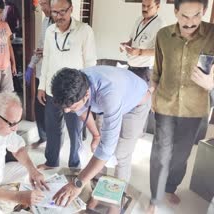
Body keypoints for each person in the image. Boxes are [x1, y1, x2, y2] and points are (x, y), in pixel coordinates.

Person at [49, 66, 151, 212]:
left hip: (135, 104)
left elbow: (107, 148)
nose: (66, 111)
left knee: (121, 154)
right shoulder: (76, 84)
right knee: (97, 147)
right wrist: (96, 135)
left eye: (71, 107)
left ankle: (115, 201)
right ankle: (99, 192)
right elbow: (81, 110)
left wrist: (78, 183)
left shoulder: (109, 94)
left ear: (86, 96)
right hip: (106, 103)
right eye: (65, 107)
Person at [148, 0, 214, 213]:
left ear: (203, 11)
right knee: (161, 154)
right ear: (175, 12)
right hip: (165, 105)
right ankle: (155, 195)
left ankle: (169, 187)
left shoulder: (213, 35)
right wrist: (153, 94)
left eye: (196, 15)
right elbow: (157, 69)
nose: (190, 22)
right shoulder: (163, 36)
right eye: (184, 16)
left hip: (194, 110)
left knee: (181, 155)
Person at [37, 0, 97, 170]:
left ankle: (75, 165)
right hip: (52, 91)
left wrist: (87, 93)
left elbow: (91, 63)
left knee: (75, 131)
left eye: (63, 11)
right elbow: (47, 59)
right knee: (53, 129)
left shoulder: (84, 31)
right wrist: (42, 85)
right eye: (55, 12)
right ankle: (51, 161)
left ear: (71, 9)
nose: (58, 16)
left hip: (75, 94)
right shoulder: (49, 31)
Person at [25, 0, 53, 149]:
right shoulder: (45, 21)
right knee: (39, 108)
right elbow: (40, 46)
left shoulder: (61, 23)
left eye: (44, 4)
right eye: (40, 5)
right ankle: (43, 137)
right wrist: (31, 65)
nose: (42, 9)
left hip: (54, 75)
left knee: (53, 112)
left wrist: (47, 52)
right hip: (41, 73)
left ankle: (54, 144)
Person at [120, 0, 166, 85]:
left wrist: (140, 52)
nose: (145, 8)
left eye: (149, 6)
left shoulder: (160, 24)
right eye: (143, 5)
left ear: (158, 7)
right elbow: (133, 40)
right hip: (131, 67)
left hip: (144, 71)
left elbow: (161, 51)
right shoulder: (139, 20)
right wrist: (126, 45)